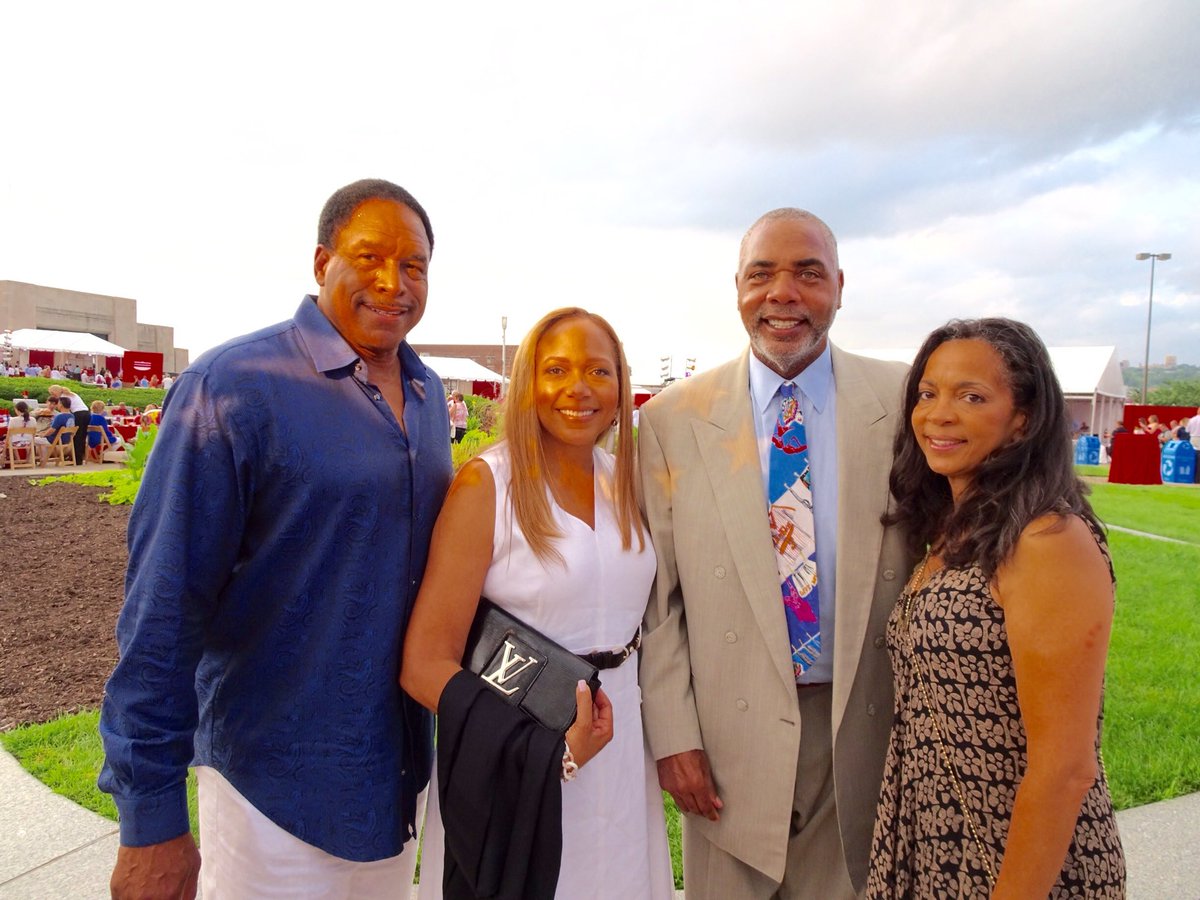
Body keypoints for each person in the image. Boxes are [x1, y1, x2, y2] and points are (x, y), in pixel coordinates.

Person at [98, 178, 452, 899]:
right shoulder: (231, 387)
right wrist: (149, 816)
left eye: (413, 265)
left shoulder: (427, 394)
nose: (393, 282)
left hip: (397, 781)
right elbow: (164, 605)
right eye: (369, 257)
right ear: (322, 263)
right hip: (271, 792)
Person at [637, 208, 912, 898]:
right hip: (728, 739)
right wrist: (674, 735)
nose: (782, 293)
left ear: (840, 288)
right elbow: (658, 598)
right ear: (737, 287)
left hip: (863, 726)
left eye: (808, 273)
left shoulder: (905, 401)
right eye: (762, 274)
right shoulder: (672, 420)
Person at [401, 308, 673, 899]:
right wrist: (550, 752)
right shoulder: (487, 485)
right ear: (528, 383)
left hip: (623, 747)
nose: (579, 388)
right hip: (519, 753)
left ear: (622, 385)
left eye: (599, 371)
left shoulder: (626, 481)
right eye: (557, 369)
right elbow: (424, 663)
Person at [866, 318, 1124, 898]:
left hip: (1017, 859)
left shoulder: (1046, 540)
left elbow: (1065, 767)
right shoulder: (959, 530)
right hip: (932, 840)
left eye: (972, 396)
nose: (939, 414)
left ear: (1023, 419)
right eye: (928, 393)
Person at [48, 383, 90, 466]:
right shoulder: (71, 394)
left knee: (76, 437)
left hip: (78, 414)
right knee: (82, 437)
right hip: (86, 413)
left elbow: (64, 409)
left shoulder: (63, 397)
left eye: (52, 393)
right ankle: (78, 458)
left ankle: (77, 459)